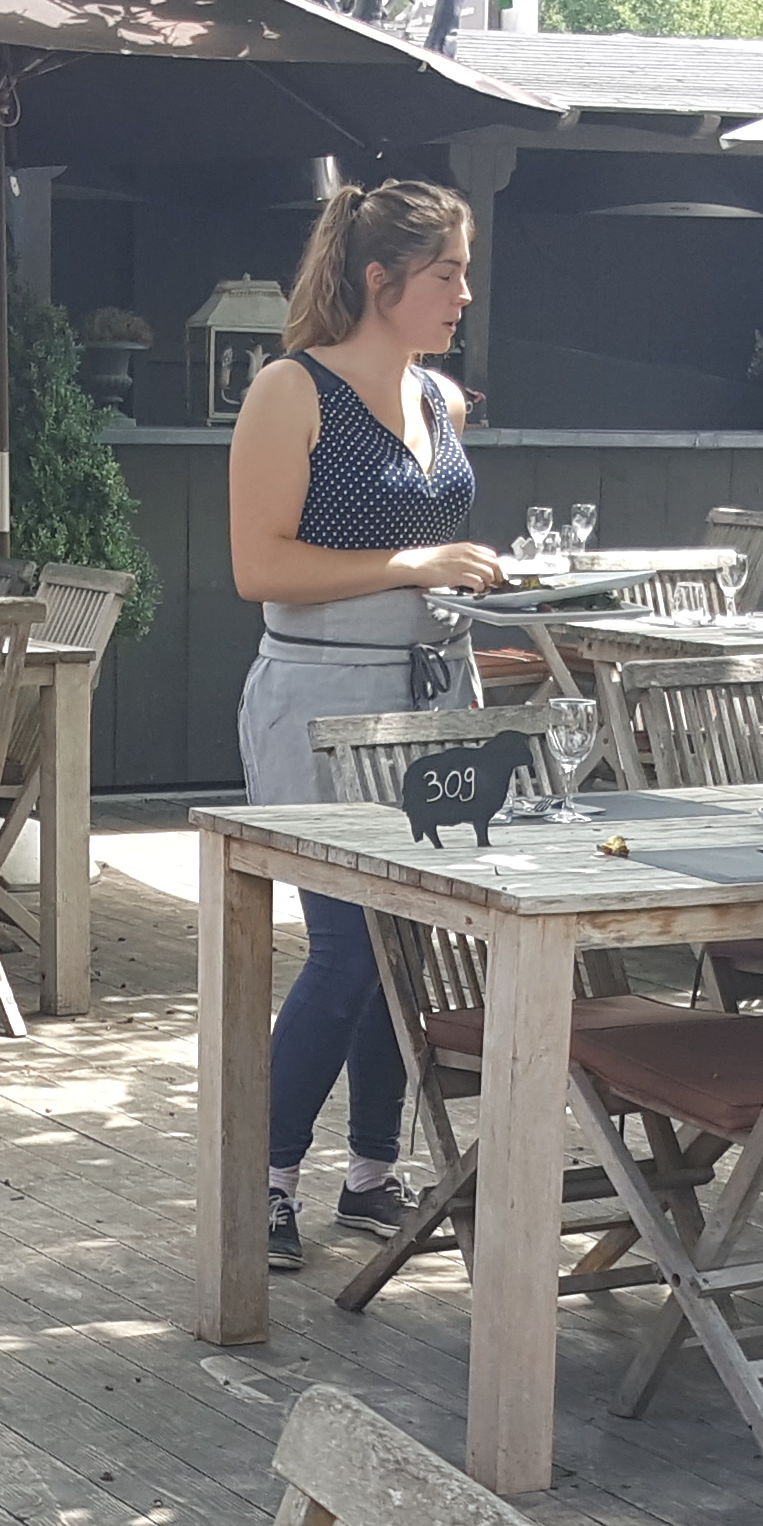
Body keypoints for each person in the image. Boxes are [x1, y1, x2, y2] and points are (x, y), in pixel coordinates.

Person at [229, 179, 511, 1272]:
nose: (464, 292)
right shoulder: (289, 390)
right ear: (380, 279)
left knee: (410, 942)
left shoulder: (439, 397)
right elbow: (260, 568)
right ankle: (259, 1181)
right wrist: (415, 564)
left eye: (464, 271)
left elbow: (428, 555)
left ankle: (370, 1173)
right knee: (347, 949)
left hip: (436, 696)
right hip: (322, 700)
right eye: (446, 273)